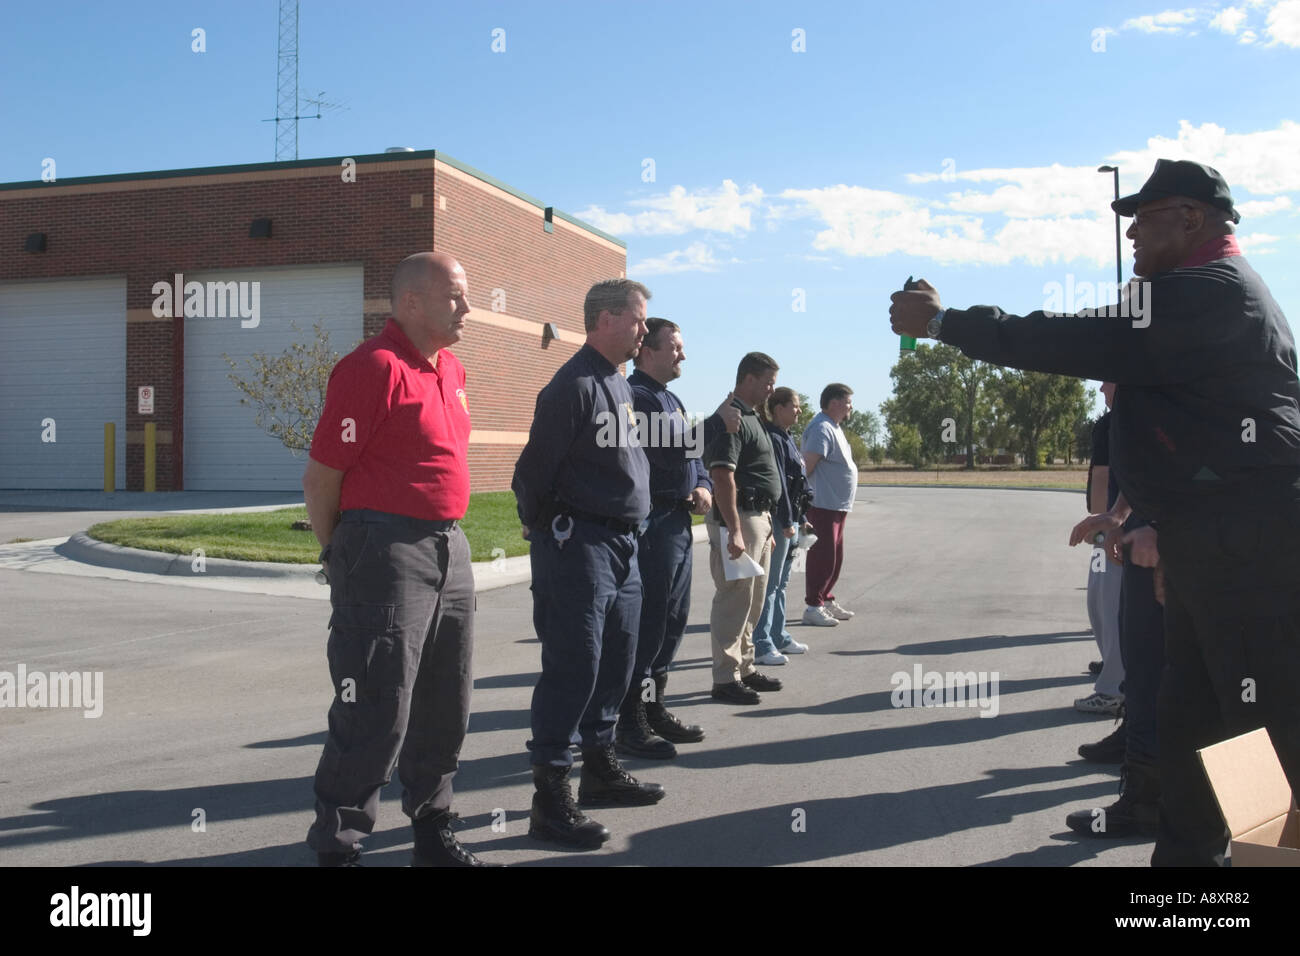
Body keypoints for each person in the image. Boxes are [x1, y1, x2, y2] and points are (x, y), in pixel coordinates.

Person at [890, 158, 1300, 867]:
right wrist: (1166, 530)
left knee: (1256, 735)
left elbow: (1074, 339)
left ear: (1193, 218)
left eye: (1145, 214)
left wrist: (947, 322)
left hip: (1250, 542)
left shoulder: (1208, 290)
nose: (1133, 230)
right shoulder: (1195, 290)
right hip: (1217, 538)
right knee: (1197, 727)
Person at [303, 251, 491, 867]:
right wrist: (341, 554)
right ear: (411, 302)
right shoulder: (373, 368)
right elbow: (323, 477)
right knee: (376, 706)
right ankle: (338, 845)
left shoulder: (452, 370)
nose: (468, 308)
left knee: (447, 702)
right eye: (455, 296)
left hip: (449, 545)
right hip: (383, 549)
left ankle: (433, 831)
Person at [512, 278, 664, 850]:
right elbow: (530, 477)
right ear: (603, 320)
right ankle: (550, 801)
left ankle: (599, 771)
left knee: (619, 661)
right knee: (575, 666)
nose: (644, 330)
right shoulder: (572, 386)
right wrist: (551, 528)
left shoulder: (618, 385)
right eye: (637, 319)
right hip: (581, 547)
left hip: (624, 548)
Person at [617, 318, 738, 758]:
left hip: (677, 524)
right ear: (647, 350)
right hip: (652, 525)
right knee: (649, 624)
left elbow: (692, 454)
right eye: (675, 347)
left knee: (672, 619)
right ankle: (629, 721)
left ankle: (654, 708)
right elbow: (664, 447)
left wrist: (703, 482)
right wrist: (716, 425)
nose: (682, 355)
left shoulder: (670, 396)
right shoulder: (637, 397)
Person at [705, 352, 785, 704]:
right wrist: (735, 529)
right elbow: (723, 475)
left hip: (760, 519)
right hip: (740, 517)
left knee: (754, 600)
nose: (771, 390)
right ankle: (725, 677)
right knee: (735, 598)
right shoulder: (732, 416)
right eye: (768, 382)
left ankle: (746, 668)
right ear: (748, 379)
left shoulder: (753, 417)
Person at [752, 387, 813, 665]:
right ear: (778, 408)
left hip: (793, 521)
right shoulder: (773, 438)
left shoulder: (787, 437)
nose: (799, 410)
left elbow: (798, 483)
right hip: (780, 522)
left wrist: (801, 518)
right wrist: (788, 520)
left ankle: (779, 635)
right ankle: (763, 644)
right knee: (770, 583)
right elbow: (779, 487)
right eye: (795, 406)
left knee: (783, 582)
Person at [1076, 383, 1125, 718]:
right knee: (1099, 602)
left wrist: (1103, 530)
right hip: (1106, 531)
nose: (1101, 387)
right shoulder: (1112, 422)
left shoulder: (1118, 424)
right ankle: (1113, 668)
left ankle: (1114, 689)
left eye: (1108, 380)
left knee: (1110, 606)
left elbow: (1104, 482)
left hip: (1114, 533)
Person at [801, 384, 860, 627]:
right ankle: (813, 607)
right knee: (822, 556)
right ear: (834, 402)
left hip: (836, 505)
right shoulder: (821, 428)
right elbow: (807, 465)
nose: (851, 407)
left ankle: (825, 599)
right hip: (822, 505)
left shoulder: (834, 427)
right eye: (847, 401)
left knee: (834, 556)